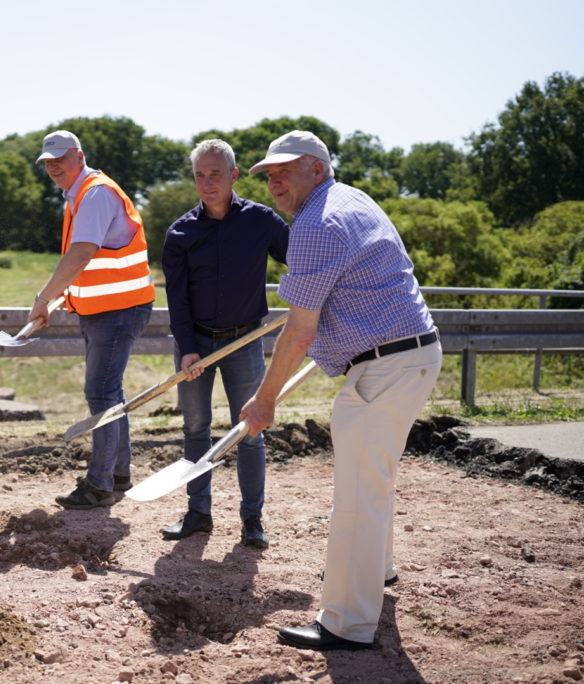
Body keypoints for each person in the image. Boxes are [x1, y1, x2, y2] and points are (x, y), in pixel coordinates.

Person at [239, 131, 441, 650]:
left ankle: (347, 622)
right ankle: (380, 571)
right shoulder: (352, 200)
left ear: (317, 168)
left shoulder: (314, 223)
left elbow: (300, 329)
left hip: (386, 367)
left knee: (357, 495)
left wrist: (264, 400)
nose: (275, 181)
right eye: (269, 174)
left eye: (286, 170)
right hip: (412, 356)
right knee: (374, 480)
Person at [160, 139, 289, 546]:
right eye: (200, 175)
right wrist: (187, 347)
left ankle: (253, 520)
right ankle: (198, 514)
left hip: (245, 341)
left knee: (250, 428)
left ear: (234, 175)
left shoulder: (262, 221)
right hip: (195, 342)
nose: (207, 182)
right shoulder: (180, 232)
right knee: (195, 428)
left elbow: (302, 257)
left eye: (216, 173)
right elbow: (176, 297)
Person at [28, 130, 155, 509]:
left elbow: (82, 253)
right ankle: (117, 474)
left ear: (79, 157)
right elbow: (91, 264)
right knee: (110, 392)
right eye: (47, 162)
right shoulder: (80, 194)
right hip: (108, 308)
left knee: (101, 392)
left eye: (59, 159)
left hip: (118, 310)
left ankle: (99, 485)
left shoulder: (95, 193)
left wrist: (44, 297)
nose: (53, 167)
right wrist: (66, 297)